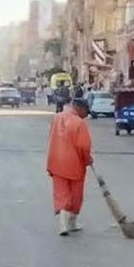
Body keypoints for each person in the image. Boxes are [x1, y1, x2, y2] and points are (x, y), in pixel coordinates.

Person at [46, 94, 92, 236]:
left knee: (61, 193)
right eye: (86, 111)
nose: (86, 115)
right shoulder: (79, 123)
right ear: (79, 108)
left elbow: (51, 138)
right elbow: (83, 146)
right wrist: (87, 160)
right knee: (75, 195)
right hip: (74, 164)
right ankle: (71, 223)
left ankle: (63, 225)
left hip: (56, 162)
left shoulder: (57, 117)